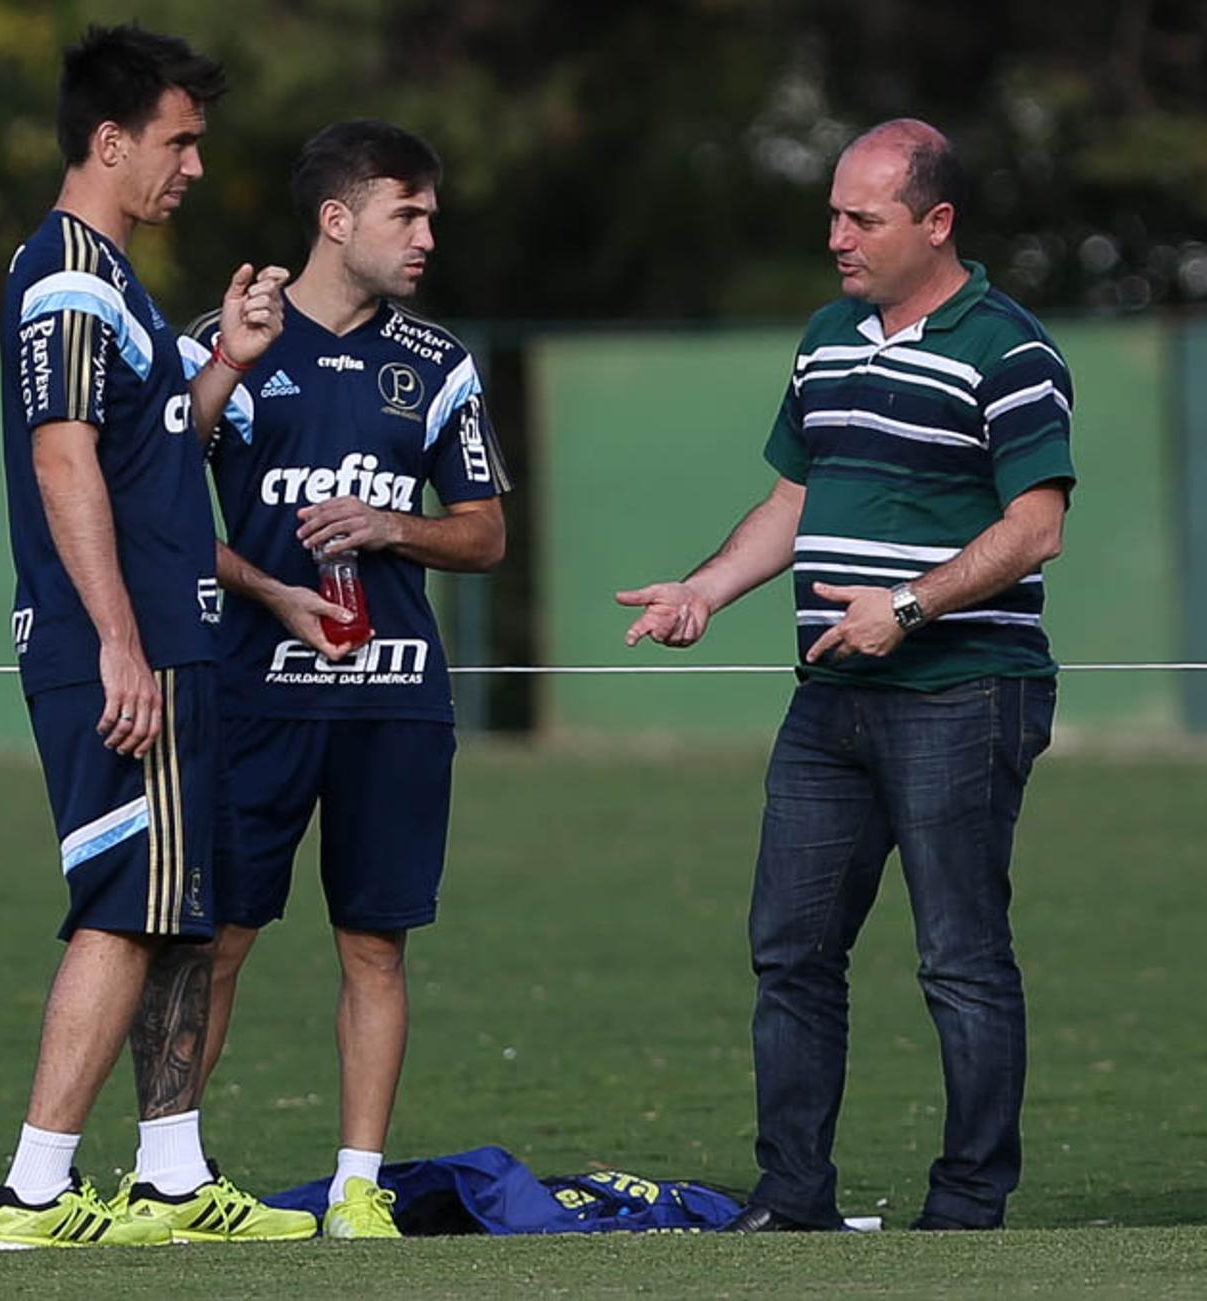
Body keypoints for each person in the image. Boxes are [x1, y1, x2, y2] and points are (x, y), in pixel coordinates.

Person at [618, 119, 1073, 1234]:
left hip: (964, 694)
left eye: (861, 218)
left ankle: (968, 1205)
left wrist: (907, 608)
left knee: (960, 959)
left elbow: (1037, 527)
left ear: (937, 222)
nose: (837, 237)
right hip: (829, 700)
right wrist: (703, 592)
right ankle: (793, 1198)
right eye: (832, 213)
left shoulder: (1010, 351)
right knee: (790, 949)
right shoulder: (828, 336)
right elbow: (794, 500)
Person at [0, 23, 315, 1249]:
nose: (191, 166)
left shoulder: (118, 279)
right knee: (124, 899)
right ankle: (33, 1187)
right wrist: (119, 641)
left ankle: (171, 1177)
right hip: (119, 639)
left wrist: (223, 359)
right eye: (178, 142)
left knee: (176, 901)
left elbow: (151, 448)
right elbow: (63, 453)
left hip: (173, 633)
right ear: (111, 140)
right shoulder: (68, 274)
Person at [178, 119, 511, 1240]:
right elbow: (164, 502)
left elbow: (484, 535)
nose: (426, 236)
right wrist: (225, 361)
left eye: (430, 215)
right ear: (337, 218)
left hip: (394, 694)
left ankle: (359, 1186)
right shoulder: (229, 337)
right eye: (404, 214)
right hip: (250, 691)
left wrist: (393, 525)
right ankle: (166, 1171)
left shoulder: (439, 363)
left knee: (376, 942)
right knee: (214, 936)